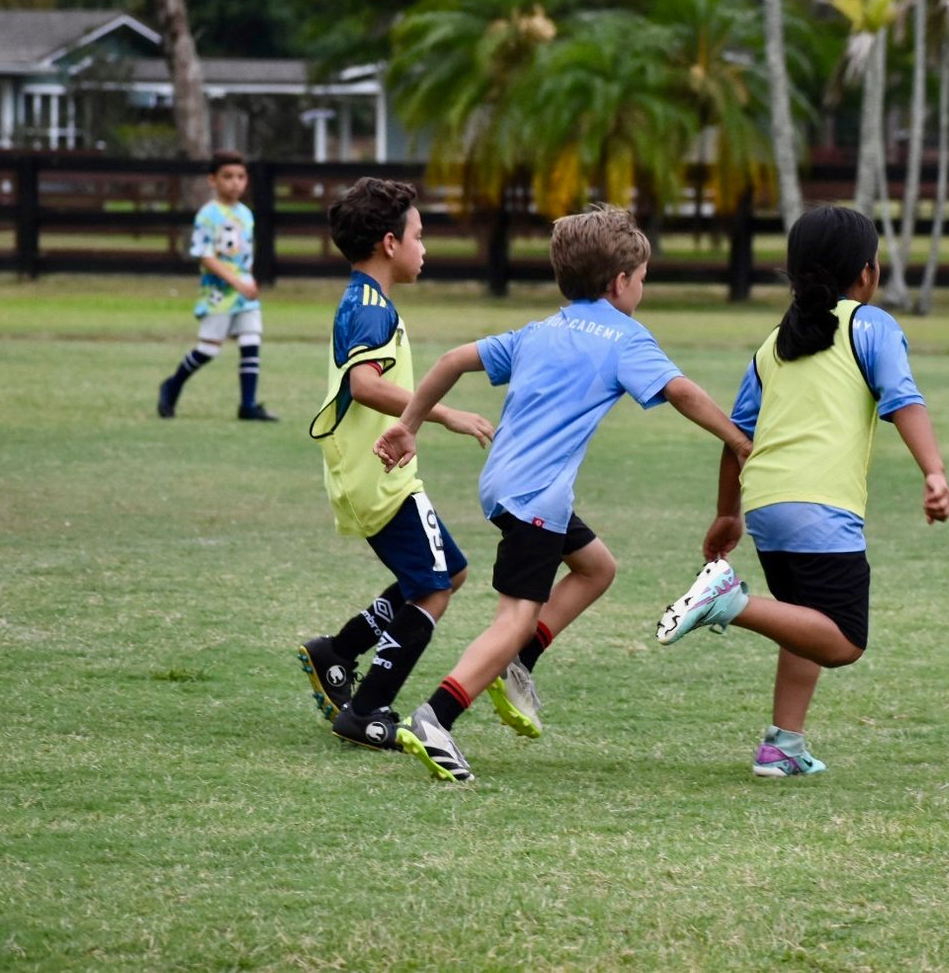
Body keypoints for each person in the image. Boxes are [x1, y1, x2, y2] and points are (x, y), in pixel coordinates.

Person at [373, 205, 753, 782]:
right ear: (620, 282)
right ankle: (436, 717)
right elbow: (681, 392)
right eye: (642, 281)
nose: (642, 291)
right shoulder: (626, 338)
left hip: (503, 484)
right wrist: (737, 438)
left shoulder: (540, 330)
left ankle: (518, 665)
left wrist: (410, 423)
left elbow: (451, 361)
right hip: (537, 500)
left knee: (597, 568)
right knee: (515, 617)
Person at [656, 205, 949, 778]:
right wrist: (934, 472)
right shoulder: (870, 325)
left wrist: (728, 515)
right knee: (843, 641)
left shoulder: (773, 344)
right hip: (820, 505)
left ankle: (782, 745)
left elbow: (736, 436)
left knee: (804, 619)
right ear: (867, 273)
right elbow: (903, 398)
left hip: (768, 502)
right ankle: (728, 603)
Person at [296, 177, 500, 752]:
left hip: (373, 472)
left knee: (448, 574)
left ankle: (338, 651)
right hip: (377, 473)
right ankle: (367, 709)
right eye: (418, 234)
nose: (424, 246)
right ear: (390, 243)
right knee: (433, 589)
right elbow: (364, 385)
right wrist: (443, 413)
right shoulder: (368, 307)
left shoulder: (369, 301)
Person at [157, 149, 277, 421]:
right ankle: (172, 385)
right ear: (213, 180)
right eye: (228, 176)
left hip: (245, 292)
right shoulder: (208, 215)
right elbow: (205, 255)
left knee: (251, 341)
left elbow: (244, 255)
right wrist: (235, 281)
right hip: (219, 294)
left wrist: (249, 278)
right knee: (208, 348)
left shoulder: (246, 214)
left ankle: (248, 405)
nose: (235, 182)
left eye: (241, 176)